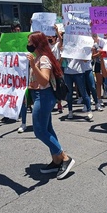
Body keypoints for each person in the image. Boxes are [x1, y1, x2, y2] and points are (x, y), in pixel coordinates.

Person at [26, 31, 75, 180]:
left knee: (39, 131)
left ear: (36, 44)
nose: (27, 45)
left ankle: (64, 157)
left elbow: (44, 80)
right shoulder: (39, 57)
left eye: (29, 42)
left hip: (44, 96)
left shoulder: (44, 59)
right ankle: (56, 160)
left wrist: (33, 65)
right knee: (47, 129)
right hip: (38, 96)